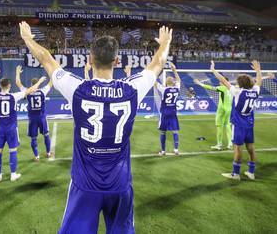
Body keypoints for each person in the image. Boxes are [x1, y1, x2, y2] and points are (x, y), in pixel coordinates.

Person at [19, 21, 172, 233]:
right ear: (117, 61)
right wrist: (165, 43)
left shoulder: (78, 88)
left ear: (90, 60)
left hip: (85, 184)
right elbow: (158, 64)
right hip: (120, 183)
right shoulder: (132, 89)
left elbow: (47, 59)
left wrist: (28, 38)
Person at [0, 75, 46, 182]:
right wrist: (39, 82)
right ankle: (13, 174)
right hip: (11, 128)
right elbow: (31, 90)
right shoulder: (14, 96)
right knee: (13, 151)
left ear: (0, 85)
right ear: (9, 86)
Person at [210, 60, 262, 180]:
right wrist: (258, 70)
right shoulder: (255, 92)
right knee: (251, 148)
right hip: (249, 124)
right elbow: (259, 82)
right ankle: (251, 172)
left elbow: (223, 80)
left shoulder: (238, 92)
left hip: (238, 124)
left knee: (238, 148)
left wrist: (213, 70)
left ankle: (236, 174)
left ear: (241, 83)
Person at [15, 65, 53, 160]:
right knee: (46, 135)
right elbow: (51, 83)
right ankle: (48, 153)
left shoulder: (27, 91)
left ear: (31, 84)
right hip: (42, 117)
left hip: (32, 118)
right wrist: (52, 72)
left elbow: (18, 83)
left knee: (33, 138)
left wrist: (17, 73)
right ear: (38, 84)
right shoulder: (43, 91)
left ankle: (37, 156)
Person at [194, 76, 233, 150]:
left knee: (219, 126)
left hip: (221, 110)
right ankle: (230, 143)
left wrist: (199, 83)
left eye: (221, 81)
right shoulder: (232, 88)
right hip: (229, 109)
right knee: (227, 125)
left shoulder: (222, 88)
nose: (219, 83)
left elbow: (211, 88)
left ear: (224, 82)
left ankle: (219, 145)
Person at [155, 63, 181, 155]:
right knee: (175, 131)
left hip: (165, 113)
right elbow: (179, 80)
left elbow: (155, 83)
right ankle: (176, 150)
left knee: (163, 132)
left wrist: (155, 73)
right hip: (173, 113)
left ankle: (163, 151)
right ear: (173, 83)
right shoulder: (177, 89)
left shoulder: (164, 89)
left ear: (166, 82)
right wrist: (174, 70)